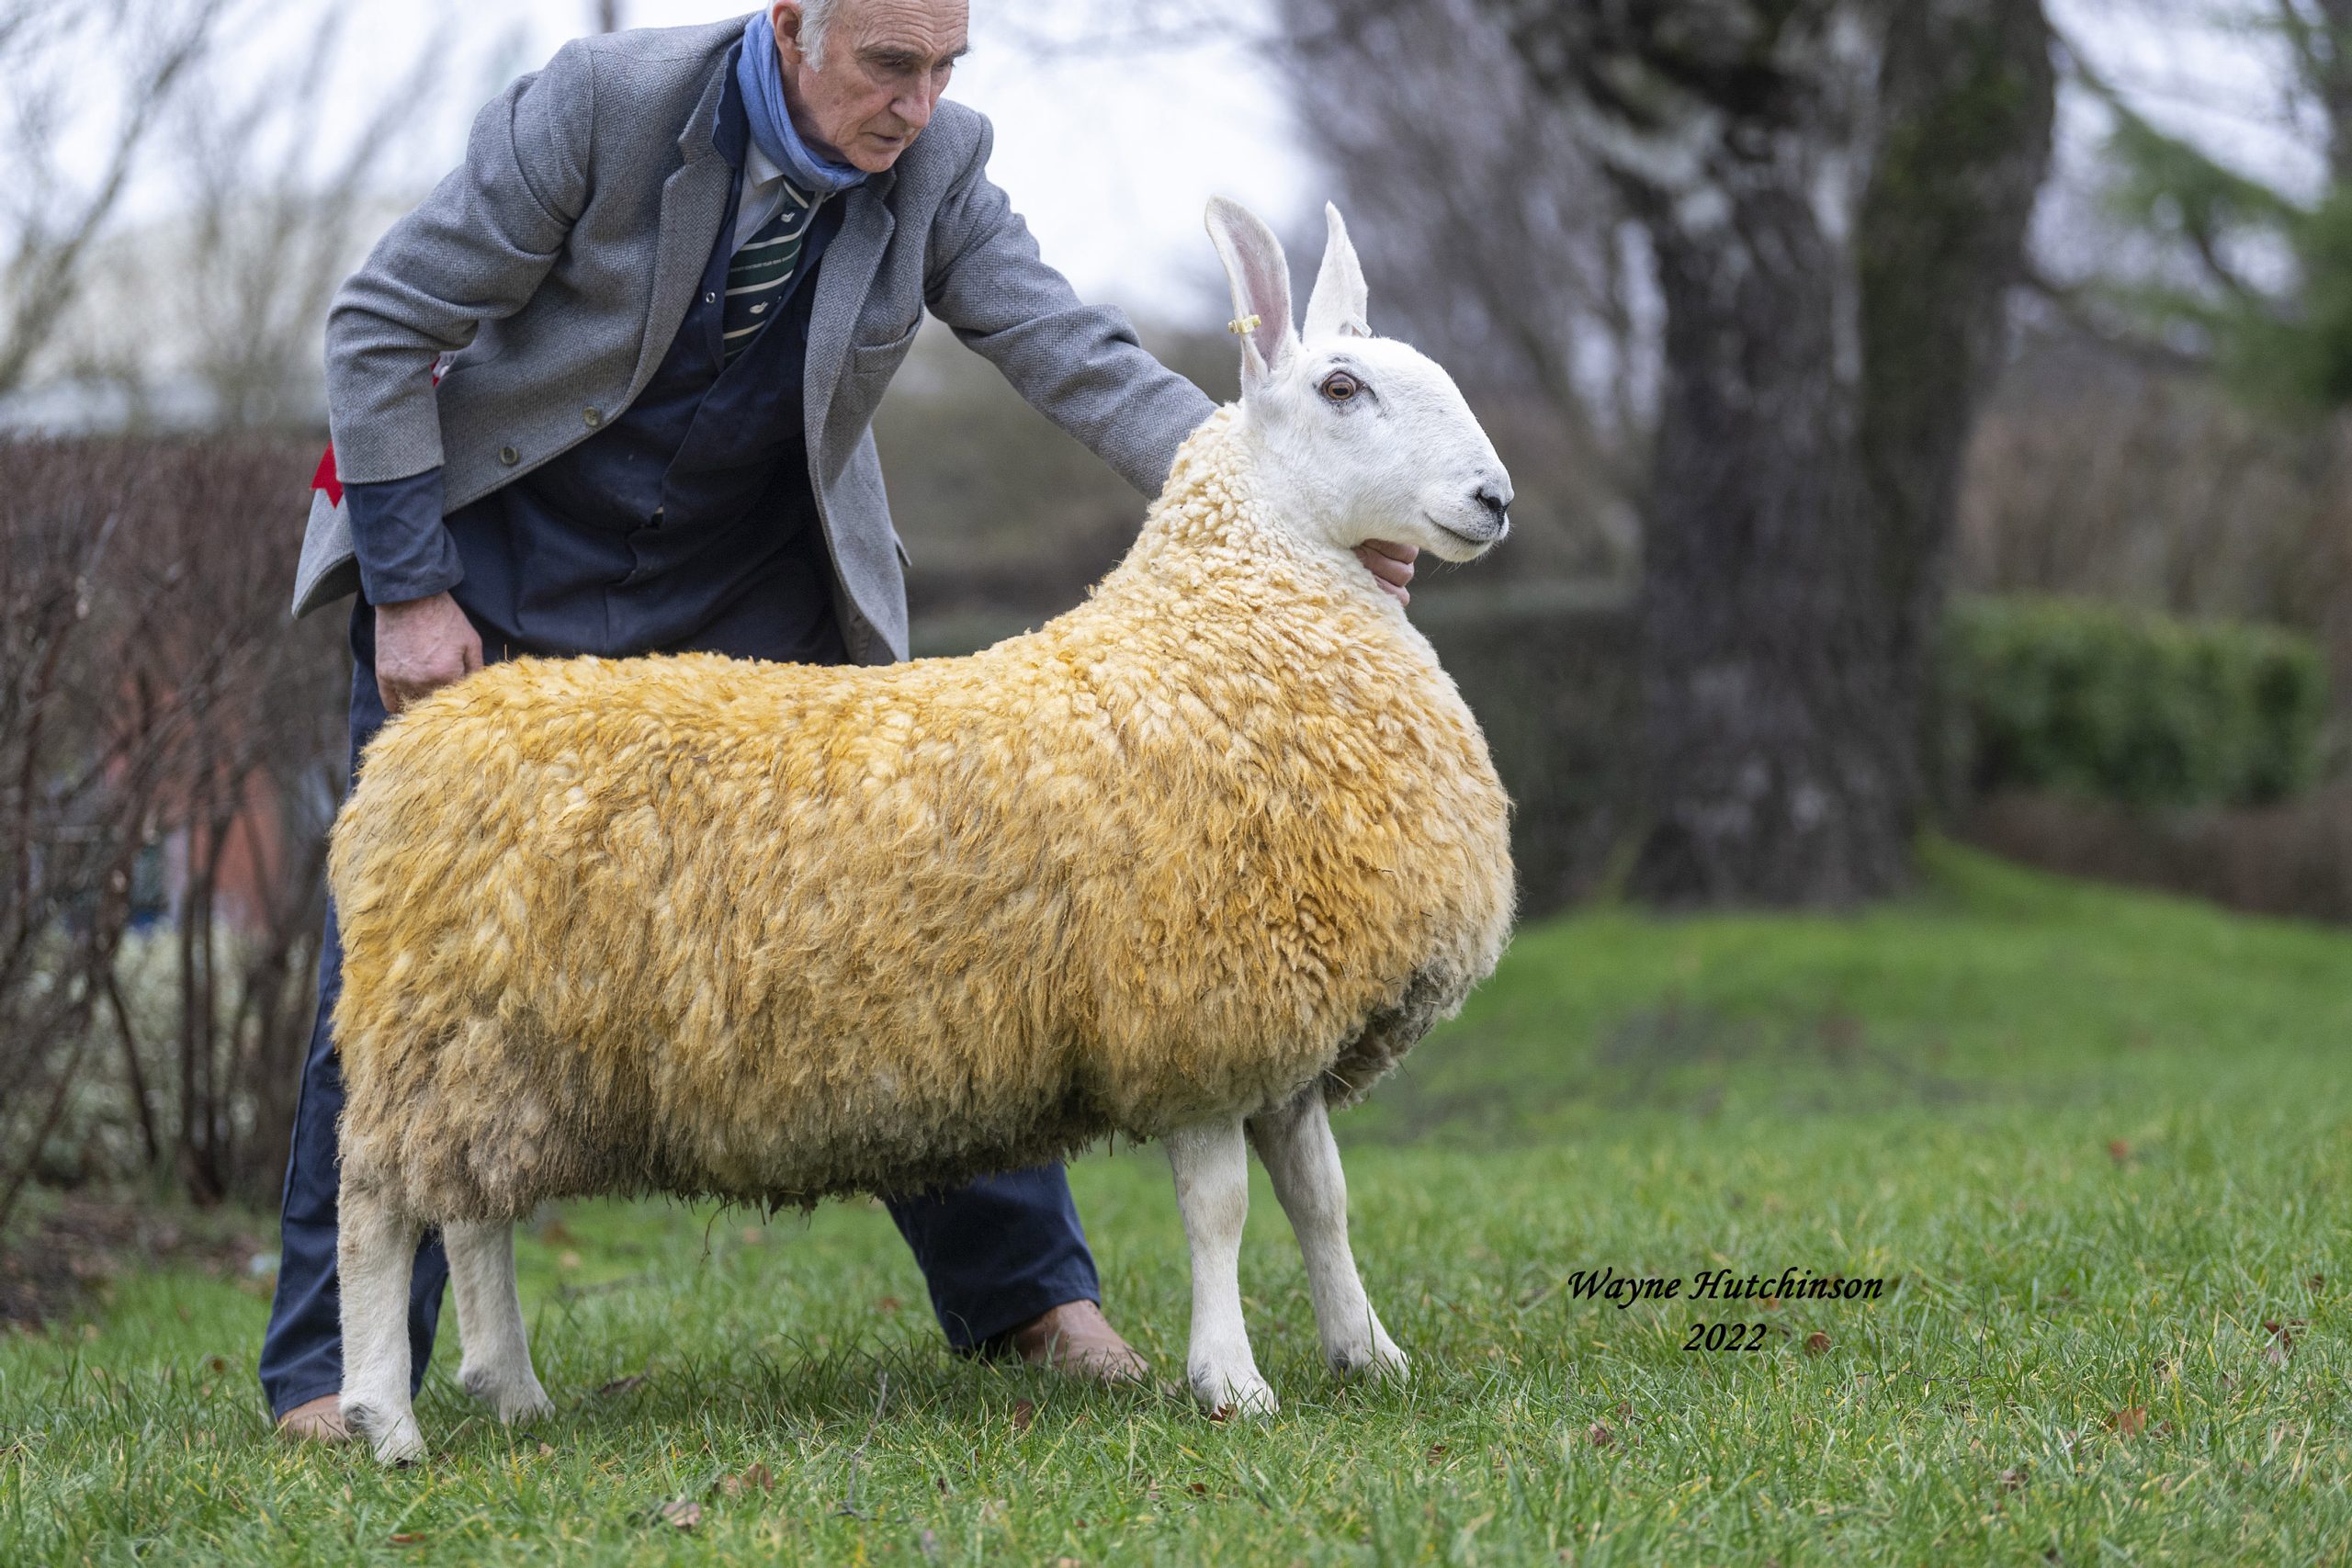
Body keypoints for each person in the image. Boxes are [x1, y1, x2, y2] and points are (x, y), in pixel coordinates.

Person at [268, 0, 1420, 1441]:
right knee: (422, 968)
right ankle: (330, 1375)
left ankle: (1030, 1302)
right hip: (498, 565)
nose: (919, 105)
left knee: (921, 912)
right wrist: (410, 590)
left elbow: (1070, 349)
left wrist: (1289, 499)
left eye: (947, 69)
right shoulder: (602, 109)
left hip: (750, 578)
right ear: (794, 25)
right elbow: (381, 325)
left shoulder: (938, 168)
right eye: (891, 65)